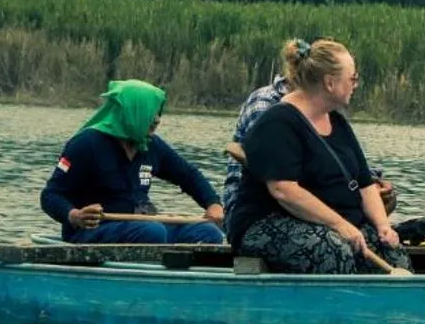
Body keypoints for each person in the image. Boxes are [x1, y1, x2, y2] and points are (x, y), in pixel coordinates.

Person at [228, 38, 404, 274]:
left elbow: (364, 184)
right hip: (266, 224)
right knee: (333, 249)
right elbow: (284, 190)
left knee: (391, 252)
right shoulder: (278, 122)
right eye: (352, 78)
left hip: (332, 224)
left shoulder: (337, 122)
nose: (356, 84)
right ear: (330, 83)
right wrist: (340, 224)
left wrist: (383, 226)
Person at [40, 80, 226, 245]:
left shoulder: (151, 145)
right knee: (152, 232)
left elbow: (188, 175)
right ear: (131, 112)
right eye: (150, 112)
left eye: (158, 113)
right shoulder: (86, 144)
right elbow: (50, 195)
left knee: (209, 233)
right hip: (92, 232)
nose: (157, 119)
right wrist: (75, 216)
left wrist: (213, 204)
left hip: (143, 228)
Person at [222, 57, 397, 219]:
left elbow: (334, 160)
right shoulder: (268, 105)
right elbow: (270, 166)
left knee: (376, 201)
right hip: (259, 207)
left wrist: (370, 184)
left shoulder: (323, 110)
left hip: (303, 198)